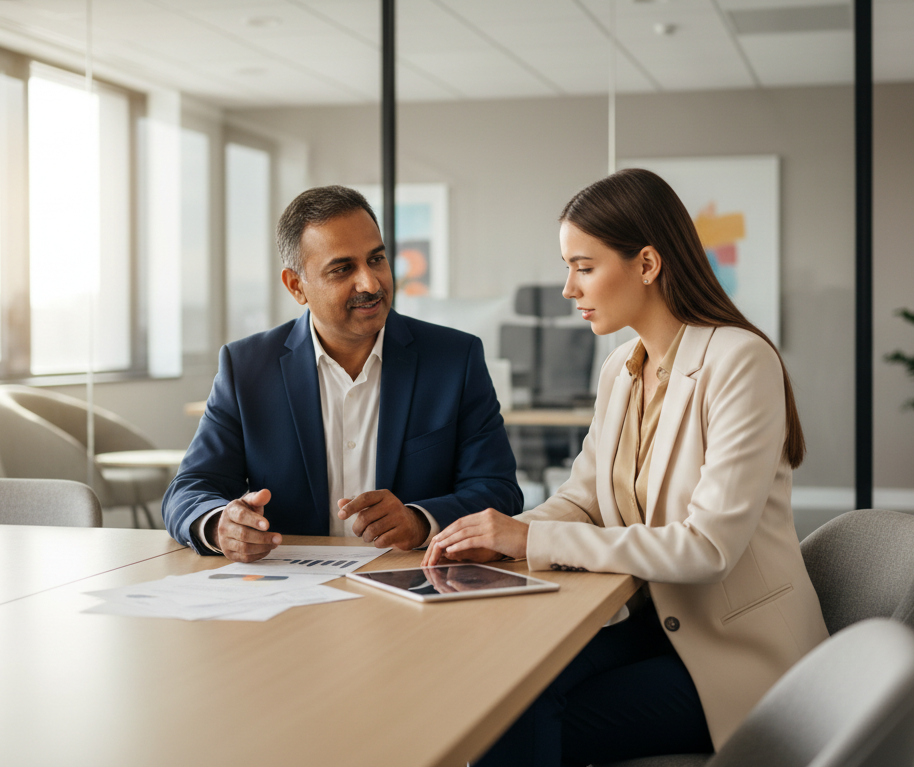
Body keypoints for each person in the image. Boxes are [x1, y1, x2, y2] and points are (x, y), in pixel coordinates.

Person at [423, 169, 829, 765]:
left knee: (516, 719)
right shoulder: (620, 368)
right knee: (502, 685)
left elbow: (707, 548)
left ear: (646, 264)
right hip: (653, 623)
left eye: (584, 267)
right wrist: (501, 539)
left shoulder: (740, 362)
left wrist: (531, 537)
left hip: (736, 653)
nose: (568, 288)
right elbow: (584, 497)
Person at [163, 185, 522, 561]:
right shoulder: (248, 368)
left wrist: (420, 520)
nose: (370, 283)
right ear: (296, 286)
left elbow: (498, 490)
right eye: (342, 269)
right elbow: (189, 489)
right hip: (291, 588)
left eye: (377, 259)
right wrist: (221, 524)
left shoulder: (455, 359)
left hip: (412, 581)